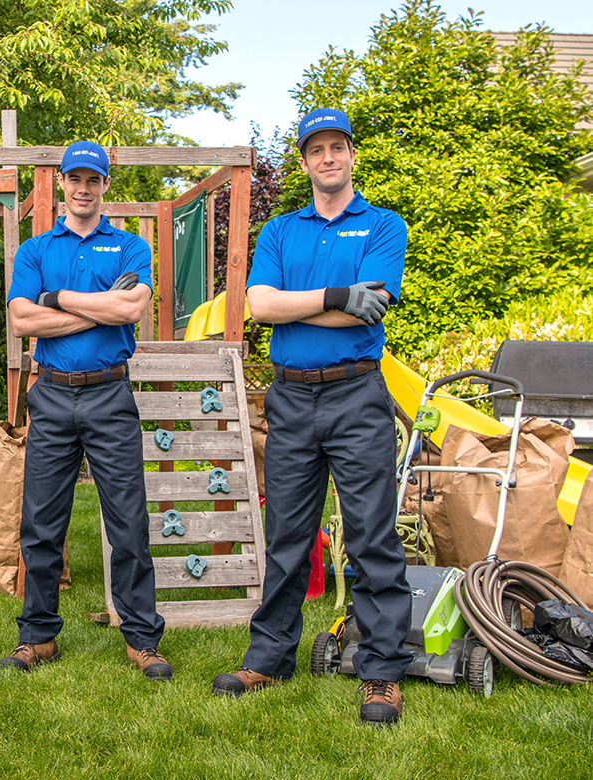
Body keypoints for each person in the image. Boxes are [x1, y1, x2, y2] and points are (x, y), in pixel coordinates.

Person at [211, 108, 413, 726]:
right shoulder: (279, 232)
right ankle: (270, 658)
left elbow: (371, 307)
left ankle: (381, 671)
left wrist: (321, 306)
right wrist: (333, 297)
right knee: (289, 537)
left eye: (337, 147)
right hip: (292, 399)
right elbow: (260, 306)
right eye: (316, 149)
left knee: (372, 535)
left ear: (351, 156)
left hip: (357, 395)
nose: (327, 158)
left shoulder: (383, 224)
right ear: (304, 161)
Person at [0, 141, 171, 681]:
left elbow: (131, 307)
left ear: (104, 187)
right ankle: (38, 635)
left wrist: (55, 298)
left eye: (92, 180)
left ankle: (142, 638)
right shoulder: (35, 250)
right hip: (50, 394)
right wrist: (96, 309)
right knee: (42, 519)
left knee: (128, 519)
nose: (82, 188)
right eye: (74, 179)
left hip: (109, 394)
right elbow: (22, 322)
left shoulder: (129, 246)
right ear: (63, 185)